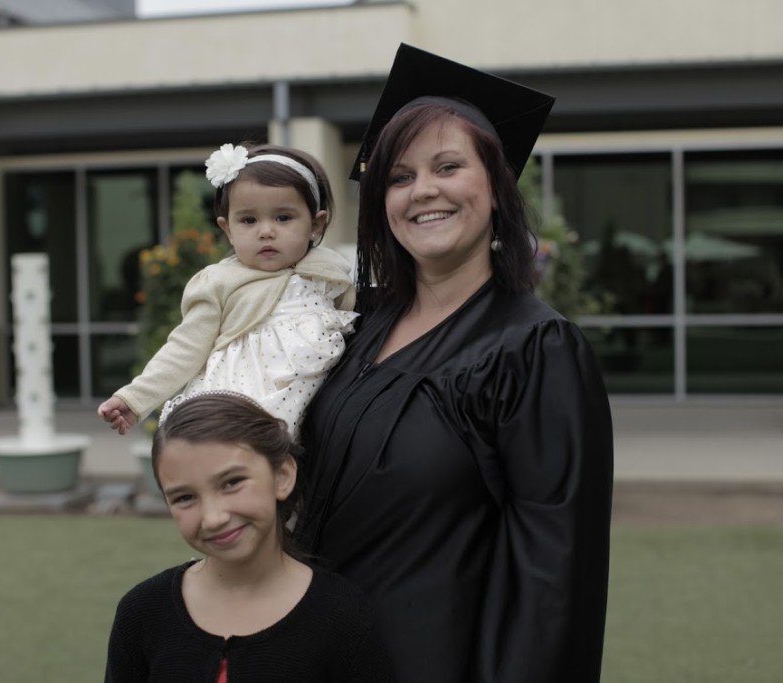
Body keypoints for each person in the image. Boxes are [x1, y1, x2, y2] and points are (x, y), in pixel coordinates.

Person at [296, 45, 614, 682]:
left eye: (448, 166)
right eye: (399, 177)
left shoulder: (534, 350)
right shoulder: (354, 329)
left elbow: (554, 577)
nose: (424, 191)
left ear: (495, 186)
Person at [105, 391, 396, 682]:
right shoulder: (142, 612)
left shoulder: (342, 615)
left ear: (282, 475)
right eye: (185, 498)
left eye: (232, 482)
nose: (214, 518)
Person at [97, 144, 357, 437]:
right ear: (228, 229)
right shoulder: (221, 281)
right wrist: (135, 399)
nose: (266, 231)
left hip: (318, 407)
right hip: (238, 403)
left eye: (283, 218)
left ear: (316, 224)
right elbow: (185, 348)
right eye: (248, 220)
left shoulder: (330, 272)